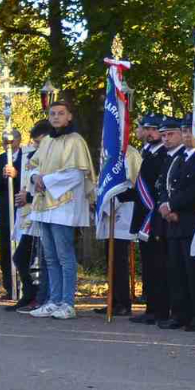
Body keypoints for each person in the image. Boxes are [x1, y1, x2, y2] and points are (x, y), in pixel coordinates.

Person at [28, 100, 95, 320]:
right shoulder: (47, 140)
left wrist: (45, 180)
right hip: (44, 204)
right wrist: (35, 177)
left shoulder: (75, 141)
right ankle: (53, 300)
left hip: (64, 205)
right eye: (52, 113)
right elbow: (33, 166)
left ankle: (67, 302)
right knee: (49, 256)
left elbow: (77, 174)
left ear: (69, 117)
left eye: (60, 113)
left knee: (65, 256)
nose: (56, 117)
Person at [158, 116, 195, 331]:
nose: (188, 135)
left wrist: (173, 206)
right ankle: (180, 313)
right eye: (186, 131)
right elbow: (164, 182)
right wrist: (164, 205)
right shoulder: (178, 157)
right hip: (174, 222)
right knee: (176, 270)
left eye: (192, 131)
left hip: (191, 220)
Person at [94, 127, 142, 317]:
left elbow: (135, 183)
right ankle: (113, 299)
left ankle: (123, 301)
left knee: (120, 260)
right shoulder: (107, 154)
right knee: (110, 257)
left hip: (124, 209)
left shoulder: (130, 153)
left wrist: (116, 199)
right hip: (109, 210)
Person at [128, 115, 171, 325]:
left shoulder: (163, 154)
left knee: (158, 266)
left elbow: (153, 186)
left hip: (155, 216)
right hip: (144, 214)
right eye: (148, 129)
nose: (151, 133)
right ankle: (151, 307)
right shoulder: (145, 153)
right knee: (148, 265)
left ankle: (161, 309)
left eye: (155, 129)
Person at [5, 120, 50, 312]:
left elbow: (51, 187)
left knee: (40, 259)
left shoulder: (54, 156)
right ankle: (30, 293)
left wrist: (29, 196)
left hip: (47, 212)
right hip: (32, 214)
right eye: (35, 142)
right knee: (22, 257)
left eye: (40, 142)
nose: (36, 146)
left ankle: (40, 296)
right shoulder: (30, 156)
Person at [0, 130, 25, 298]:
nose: (8, 144)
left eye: (11, 140)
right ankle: (10, 287)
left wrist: (16, 176)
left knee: (24, 248)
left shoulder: (29, 158)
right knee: (5, 249)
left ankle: (27, 287)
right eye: (4, 142)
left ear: (19, 140)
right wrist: (4, 177)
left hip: (24, 208)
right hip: (5, 210)